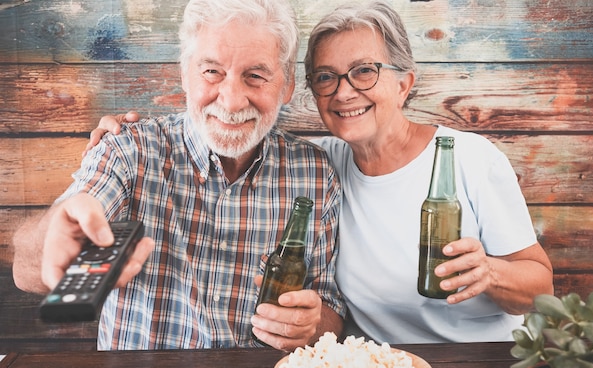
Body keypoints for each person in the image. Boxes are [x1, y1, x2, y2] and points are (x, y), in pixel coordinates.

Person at [85, 1, 554, 344]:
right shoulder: (323, 161)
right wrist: (118, 138)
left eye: (364, 71)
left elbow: (541, 286)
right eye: (326, 76)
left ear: (404, 82)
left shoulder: (467, 158)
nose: (344, 92)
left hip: (484, 367)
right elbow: (228, 130)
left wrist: (490, 273)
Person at [11, 0, 346, 351]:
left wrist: (310, 325)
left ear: (287, 85)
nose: (231, 101)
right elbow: (27, 270)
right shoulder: (129, 151)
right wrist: (56, 237)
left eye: (256, 76)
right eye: (211, 72)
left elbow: (330, 311)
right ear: (185, 75)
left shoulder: (315, 174)